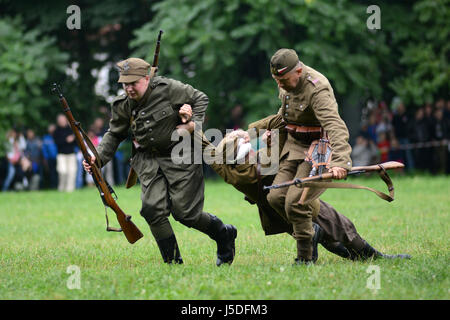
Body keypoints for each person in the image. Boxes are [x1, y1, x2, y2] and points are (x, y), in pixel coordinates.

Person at [194, 112, 410, 262]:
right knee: (338, 226)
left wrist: (193, 129)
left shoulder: (227, 169)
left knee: (324, 237)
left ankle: (354, 256)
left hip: (277, 211)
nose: (253, 146)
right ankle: (372, 256)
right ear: (244, 152)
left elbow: (208, 149)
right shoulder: (263, 165)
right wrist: (265, 135)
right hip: (296, 200)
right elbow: (282, 137)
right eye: (248, 144)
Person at [83, 57, 237, 266]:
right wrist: (97, 159)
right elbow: (114, 134)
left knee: (186, 214)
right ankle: (172, 262)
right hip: (148, 161)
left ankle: (223, 234)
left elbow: (200, 98)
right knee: (151, 209)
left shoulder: (168, 88)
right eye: (125, 84)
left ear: (146, 78)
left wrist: (193, 125)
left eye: (133, 83)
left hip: (180, 156)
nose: (129, 89)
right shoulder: (122, 104)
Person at [265, 49, 353, 265]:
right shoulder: (285, 83)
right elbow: (286, 112)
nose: (281, 85)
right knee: (274, 197)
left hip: (317, 148)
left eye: (284, 80)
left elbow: (335, 125)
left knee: (296, 202)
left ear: (299, 71)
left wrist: (341, 161)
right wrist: (271, 131)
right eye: (277, 80)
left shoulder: (317, 88)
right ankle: (313, 230)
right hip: (294, 146)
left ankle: (305, 258)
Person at [54, 114, 77, 192]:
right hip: (61, 154)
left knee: (72, 172)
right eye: (60, 120)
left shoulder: (71, 130)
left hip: (71, 154)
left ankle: (70, 190)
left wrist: (73, 138)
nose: (62, 122)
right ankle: (61, 188)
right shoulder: (56, 131)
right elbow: (57, 142)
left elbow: (76, 142)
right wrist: (66, 140)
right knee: (62, 172)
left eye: (63, 120)